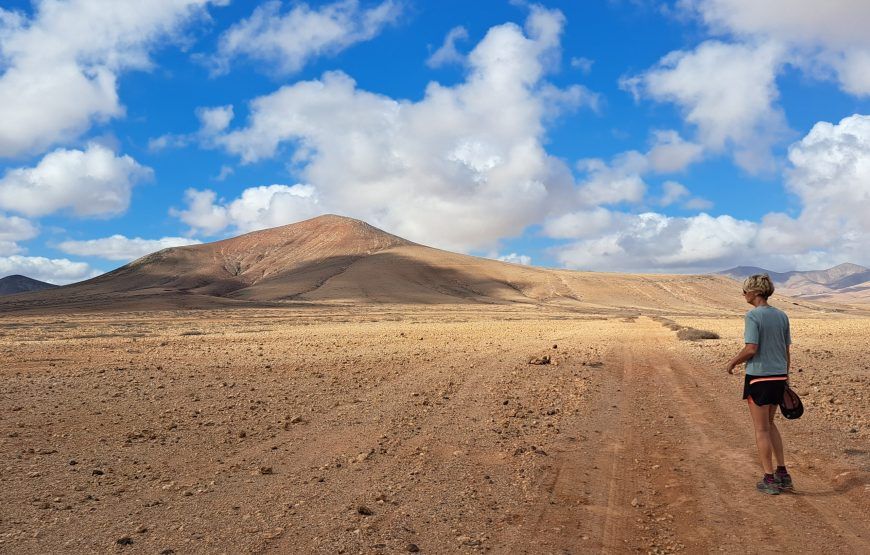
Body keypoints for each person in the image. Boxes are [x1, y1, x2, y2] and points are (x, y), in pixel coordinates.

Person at [726, 274, 793, 495]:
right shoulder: (782, 315)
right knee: (771, 424)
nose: (743, 295)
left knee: (761, 429)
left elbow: (751, 348)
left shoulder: (753, 316)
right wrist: (785, 377)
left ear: (754, 293)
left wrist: (732, 362)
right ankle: (783, 474)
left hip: (759, 378)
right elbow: (786, 350)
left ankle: (769, 479)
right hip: (778, 377)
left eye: (745, 291)